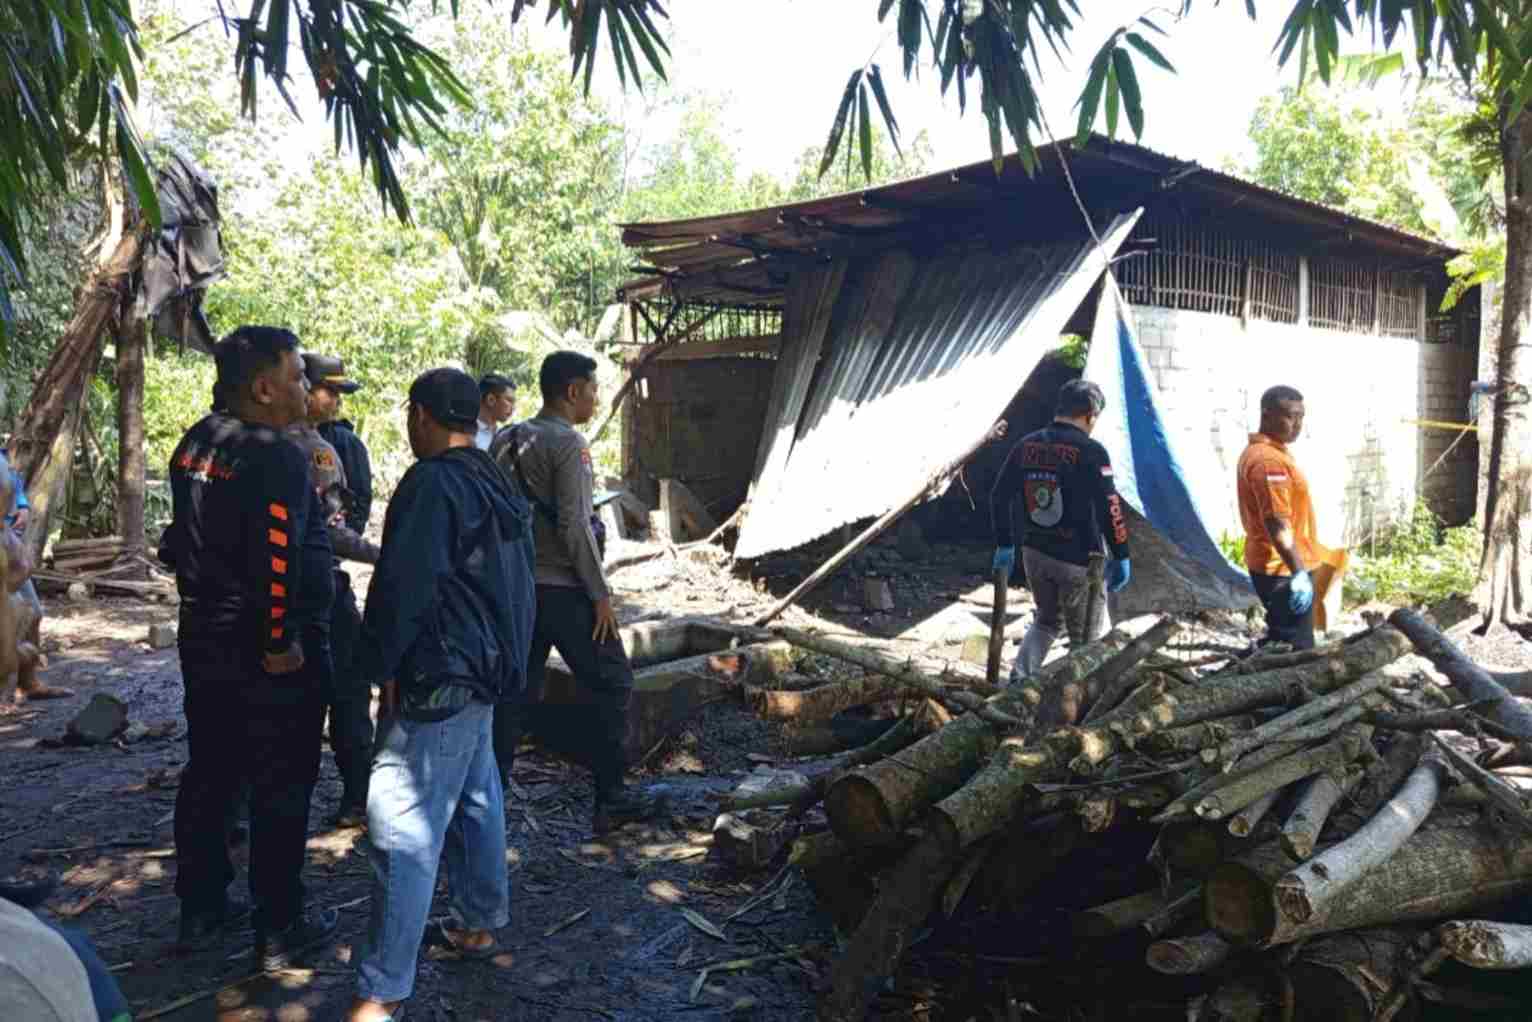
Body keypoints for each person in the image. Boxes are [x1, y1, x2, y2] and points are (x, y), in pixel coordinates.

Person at [345, 368, 534, 1022]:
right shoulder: (492, 478)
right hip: (485, 670)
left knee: (401, 824)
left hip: (442, 672)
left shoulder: (432, 483)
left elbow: (403, 586)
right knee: (478, 798)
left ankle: (381, 991)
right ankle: (479, 920)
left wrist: (379, 665)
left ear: (421, 415)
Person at [158, 325, 339, 969]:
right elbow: (278, 555)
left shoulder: (197, 442)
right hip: (263, 649)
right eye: (296, 376)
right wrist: (279, 640)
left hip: (205, 636)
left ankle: (201, 905)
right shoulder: (275, 454)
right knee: (282, 781)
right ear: (264, 388)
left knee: (212, 769)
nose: (305, 387)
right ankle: (279, 924)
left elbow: (182, 537)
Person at [493, 350, 661, 833]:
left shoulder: (506, 438)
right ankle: (611, 798)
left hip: (517, 589)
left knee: (515, 694)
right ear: (572, 391)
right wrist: (600, 594)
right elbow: (574, 526)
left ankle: (488, 799)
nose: (596, 398)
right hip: (564, 591)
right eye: (592, 389)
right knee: (613, 682)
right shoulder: (569, 443)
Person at [288, 353, 380, 828]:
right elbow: (333, 531)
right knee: (347, 690)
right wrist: (382, 555)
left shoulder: (246, 440)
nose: (336, 401)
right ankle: (356, 795)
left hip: (268, 594)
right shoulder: (315, 449)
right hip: (319, 587)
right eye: (330, 391)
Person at [990, 379, 1131, 680]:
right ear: (1090, 415)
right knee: (1086, 640)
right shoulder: (1092, 451)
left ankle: (1018, 681)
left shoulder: (1026, 444)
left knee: (1046, 621)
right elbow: (1110, 506)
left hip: (1035, 553)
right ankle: (1070, 698)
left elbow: (999, 496)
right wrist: (1121, 553)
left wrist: (1005, 544)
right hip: (1079, 561)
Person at [1237, 385, 1320, 651]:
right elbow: (1277, 523)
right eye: (1290, 416)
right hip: (1282, 569)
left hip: (1285, 565)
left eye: (1301, 417)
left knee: (1282, 639)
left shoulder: (1273, 452)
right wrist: (1299, 573)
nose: (1297, 425)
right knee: (1296, 649)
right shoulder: (1268, 462)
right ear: (1267, 415)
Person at [0, 447, 70, 703]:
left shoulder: (2, 455)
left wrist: (21, 504)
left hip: (8, 545)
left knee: (33, 614)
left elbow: (13, 483)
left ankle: (28, 683)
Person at [312, 356, 374, 538]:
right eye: (331, 392)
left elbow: (360, 500)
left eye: (338, 394)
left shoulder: (346, 442)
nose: (338, 401)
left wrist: (342, 541)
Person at [475, 373, 516, 451]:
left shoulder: (504, 435)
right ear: (491, 399)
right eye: (509, 400)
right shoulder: (466, 433)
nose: (513, 408)